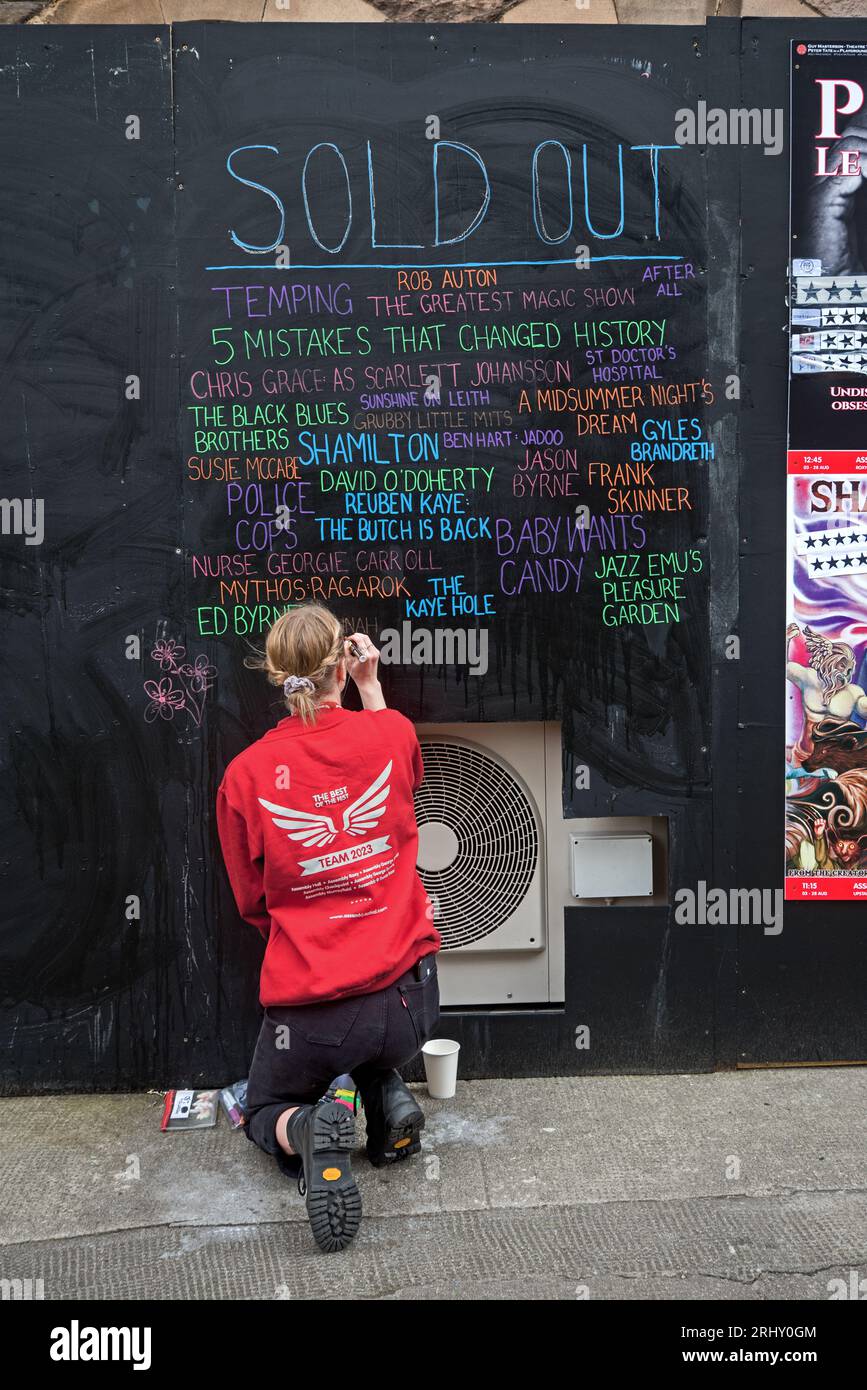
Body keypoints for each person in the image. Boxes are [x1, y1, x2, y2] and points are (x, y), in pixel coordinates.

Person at [216, 604, 441, 1253]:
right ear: (343, 663)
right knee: (368, 1036)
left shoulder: (245, 775)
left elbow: (251, 902)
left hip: (312, 1015)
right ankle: (387, 1098)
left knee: (262, 1110)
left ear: (276, 675)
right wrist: (371, 688)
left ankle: (313, 1126)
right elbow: (404, 768)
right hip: (411, 1005)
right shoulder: (390, 733)